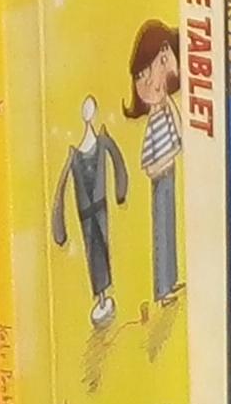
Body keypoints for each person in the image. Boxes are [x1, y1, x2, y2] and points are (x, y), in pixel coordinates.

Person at [54, 96, 124, 328]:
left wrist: (121, 191)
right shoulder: (74, 156)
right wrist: (59, 229)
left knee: (103, 247)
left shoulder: (102, 141)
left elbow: (118, 162)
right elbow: (61, 189)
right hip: (86, 213)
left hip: (100, 207)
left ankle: (105, 296)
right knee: (93, 252)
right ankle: (100, 297)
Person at [129, 19, 184, 311]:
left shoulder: (167, 109)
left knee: (170, 226)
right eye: (142, 76)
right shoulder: (153, 120)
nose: (151, 83)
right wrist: (154, 166)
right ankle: (162, 289)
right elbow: (146, 154)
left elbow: (179, 130)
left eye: (162, 62)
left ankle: (170, 281)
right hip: (159, 175)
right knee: (162, 228)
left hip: (169, 171)